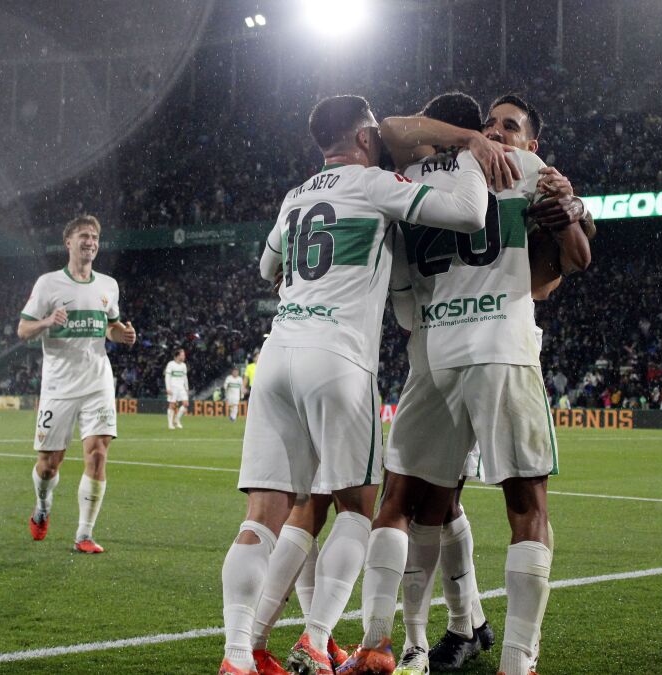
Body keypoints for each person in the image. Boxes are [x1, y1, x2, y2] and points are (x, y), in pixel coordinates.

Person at [219, 93, 511, 675]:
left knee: (262, 515)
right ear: (360, 138)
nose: (380, 138)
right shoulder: (375, 184)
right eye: (374, 131)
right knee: (356, 509)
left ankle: (238, 655)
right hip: (337, 357)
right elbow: (467, 214)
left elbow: (267, 268)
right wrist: (471, 154)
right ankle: (316, 639)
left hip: (276, 355)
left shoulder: (295, 195)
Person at [345, 92, 590, 675]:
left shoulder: (409, 179)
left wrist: (571, 211)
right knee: (524, 507)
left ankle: (394, 640)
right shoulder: (524, 167)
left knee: (407, 501)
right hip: (500, 349)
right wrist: (573, 206)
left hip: (434, 351)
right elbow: (572, 262)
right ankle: (513, 659)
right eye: (488, 124)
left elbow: (393, 129)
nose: (495, 133)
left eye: (507, 126)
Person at [18, 215, 136, 554]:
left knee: (98, 454)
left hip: (98, 382)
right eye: (84, 235)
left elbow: (111, 326)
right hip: (59, 386)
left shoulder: (108, 285)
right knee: (48, 464)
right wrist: (47, 321)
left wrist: (121, 334)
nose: (91, 242)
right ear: (68, 242)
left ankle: (84, 534)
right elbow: (23, 330)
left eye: (95, 237)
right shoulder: (49, 284)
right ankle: (43, 507)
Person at [165, 348, 190, 430]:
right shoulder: (171, 364)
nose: (184, 357)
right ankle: (170, 424)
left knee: (186, 404)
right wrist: (168, 388)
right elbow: (167, 377)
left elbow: (185, 377)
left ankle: (176, 419)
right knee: (172, 405)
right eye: (183, 355)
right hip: (173, 387)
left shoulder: (183, 365)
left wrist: (187, 388)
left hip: (181, 387)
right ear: (177, 356)